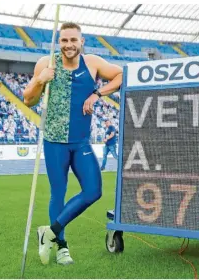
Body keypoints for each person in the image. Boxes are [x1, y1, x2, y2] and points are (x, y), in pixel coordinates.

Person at [23, 22, 123, 266]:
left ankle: (49, 231)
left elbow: (121, 75)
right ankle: (62, 248)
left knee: (93, 191)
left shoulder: (92, 63)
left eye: (73, 40)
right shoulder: (45, 64)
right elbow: (28, 100)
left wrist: (97, 94)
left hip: (80, 142)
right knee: (58, 193)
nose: (68, 45)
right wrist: (40, 80)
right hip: (54, 142)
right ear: (59, 42)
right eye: (64, 40)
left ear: (81, 41)